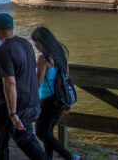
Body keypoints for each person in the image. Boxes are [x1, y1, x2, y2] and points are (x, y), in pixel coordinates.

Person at [0, 13, 49, 160]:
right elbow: (29, 73)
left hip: (11, 108)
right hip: (31, 103)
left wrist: (13, 114)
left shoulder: (3, 50)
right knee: (26, 141)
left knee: (0, 145)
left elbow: (9, 83)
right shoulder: (25, 44)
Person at [31, 27, 81, 160]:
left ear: (41, 42)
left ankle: (69, 157)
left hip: (47, 100)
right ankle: (49, 157)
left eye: (35, 42)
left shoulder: (43, 59)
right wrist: (67, 103)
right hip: (60, 100)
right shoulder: (60, 54)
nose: (34, 45)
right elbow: (66, 79)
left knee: (41, 133)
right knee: (48, 133)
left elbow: (38, 83)